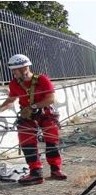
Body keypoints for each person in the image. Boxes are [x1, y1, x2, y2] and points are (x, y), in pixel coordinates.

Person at [0, 54, 67, 185]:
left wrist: (33, 106)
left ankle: (55, 169)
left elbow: (51, 99)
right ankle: (36, 173)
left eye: (15, 70)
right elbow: (11, 100)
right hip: (27, 116)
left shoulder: (42, 79)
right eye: (12, 70)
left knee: (52, 142)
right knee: (27, 143)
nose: (13, 73)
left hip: (46, 114)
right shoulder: (14, 84)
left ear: (25, 68)